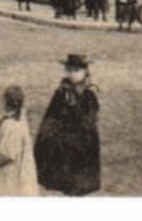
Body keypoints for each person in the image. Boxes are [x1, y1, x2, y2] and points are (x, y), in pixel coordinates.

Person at [35, 54, 101, 196]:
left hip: (81, 143)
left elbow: (89, 120)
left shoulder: (89, 94)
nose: (72, 74)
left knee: (78, 182)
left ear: (85, 72)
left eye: (76, 71)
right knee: (62, 178)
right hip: (62, 142)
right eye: (69, 70)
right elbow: (51, 114)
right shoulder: (61, 92)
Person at [0, 85, 39, 196]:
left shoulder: (13, 126)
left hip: (9, 173)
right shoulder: (12, 120)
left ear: (7, 103)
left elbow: (8, 154)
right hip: (7, 171)